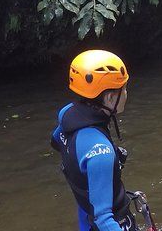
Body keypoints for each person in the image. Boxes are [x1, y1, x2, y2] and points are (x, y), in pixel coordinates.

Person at [50, 50, 136, 231]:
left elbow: (57, 141)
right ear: (110, 97)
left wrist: (86, 167)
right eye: (124, 88)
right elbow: (103, 220)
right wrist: (99, 162)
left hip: (85, 215)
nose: (126, 94)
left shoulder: (67, 113)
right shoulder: (101, 152)